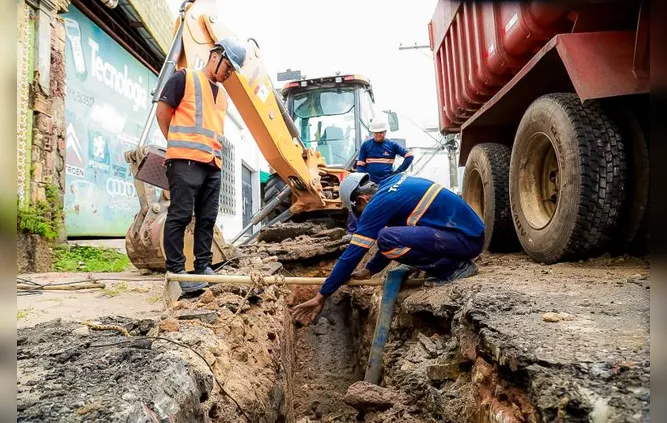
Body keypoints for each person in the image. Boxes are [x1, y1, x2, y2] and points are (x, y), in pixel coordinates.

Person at [293, 172, 485, 324]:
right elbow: (397, 234)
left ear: (362, 200)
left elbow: (352, 255)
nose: (361, 215)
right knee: (389, 236)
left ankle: (454, 268)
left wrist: (322, 294)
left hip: (465, 240)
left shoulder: (376, 204)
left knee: (385, 238)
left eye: (358, 212)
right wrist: (370, 270)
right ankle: (451, 264)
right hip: (467, 235)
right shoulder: (392, 184)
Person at [156, 38, 246, 294]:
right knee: (180, 216)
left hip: (212, 164)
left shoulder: (222, 97)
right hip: (184, 161)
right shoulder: (184, 78)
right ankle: (176, 271)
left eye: (232, 71)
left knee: (207, 219)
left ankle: (203, 266)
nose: (229, 74)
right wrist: (176, 144)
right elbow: (162, 113)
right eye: (228, 67)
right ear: (215, 56)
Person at [346, 119, 414, 234]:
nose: (378, 135)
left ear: (385, 132)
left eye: (381, 132)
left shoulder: (392, 145)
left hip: (386, 182)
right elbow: (360, 165)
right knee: (357, 203)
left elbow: (409, 156)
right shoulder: (366, 145)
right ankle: (352, 232)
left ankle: (389, 231)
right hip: (369, 183)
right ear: (373, 133)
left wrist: (398, 172)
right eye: (376, 133)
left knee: (388, 205)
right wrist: (362, 182)